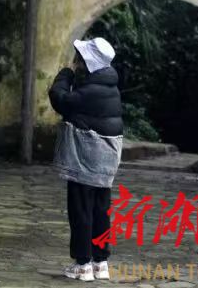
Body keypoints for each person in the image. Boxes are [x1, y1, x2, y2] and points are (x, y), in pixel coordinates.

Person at [48, 37, 123, 282]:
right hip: (106, 160)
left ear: (88, 63)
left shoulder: (90, 91)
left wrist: (65, 75)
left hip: (86, 160)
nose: (78, 63)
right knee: (100, 210)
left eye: (80, 59)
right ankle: (101, 262)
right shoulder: (110, 86)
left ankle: (83, 265)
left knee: (81, 210)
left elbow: (60, 99)